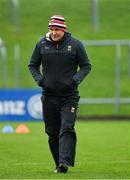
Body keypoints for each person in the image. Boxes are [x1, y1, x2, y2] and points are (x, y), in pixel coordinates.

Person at [28, 15, 91, 173]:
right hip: (48, 96)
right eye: (51, 29)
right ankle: (59, 164)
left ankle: (64, 162)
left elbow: (86, 66)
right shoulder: (41, 44)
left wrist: (75, 80)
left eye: (57, 29)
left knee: (67, 127)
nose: (54, 32)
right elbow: (32, 65)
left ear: (63, 30)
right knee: (52, 132)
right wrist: (40, 80)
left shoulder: (75, 45)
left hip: (69, 96)